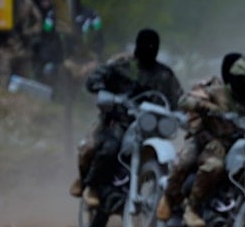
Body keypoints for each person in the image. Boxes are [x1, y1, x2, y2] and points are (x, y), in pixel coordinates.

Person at [69, 28, 183, 208]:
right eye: (146, 44)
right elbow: (96, 77)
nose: (149, 48)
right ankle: (91, 186)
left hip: (150, 126)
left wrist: (183, 113)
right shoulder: (122, 65)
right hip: (119, 120)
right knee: (109, 147)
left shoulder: (165, 74)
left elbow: (178, 99)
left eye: (153, 45)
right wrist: (102, 90)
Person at [155, 53, 245, 227]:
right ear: (239, 78)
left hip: (237, 145)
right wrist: (209, 107)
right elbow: (185, 100)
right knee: (201, 163)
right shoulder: (218, 92)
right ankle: (184, 205)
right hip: (208, 138)